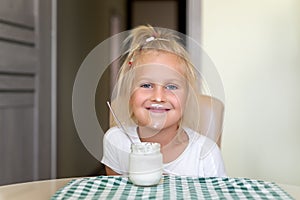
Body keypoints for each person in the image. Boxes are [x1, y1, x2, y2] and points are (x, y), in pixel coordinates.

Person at [101, 25, 226, 177]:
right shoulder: (116, 141)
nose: (158, 97)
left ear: (187, 98)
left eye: (171, 86)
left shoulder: (206, 155)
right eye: (146, 85)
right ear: (130, 94)